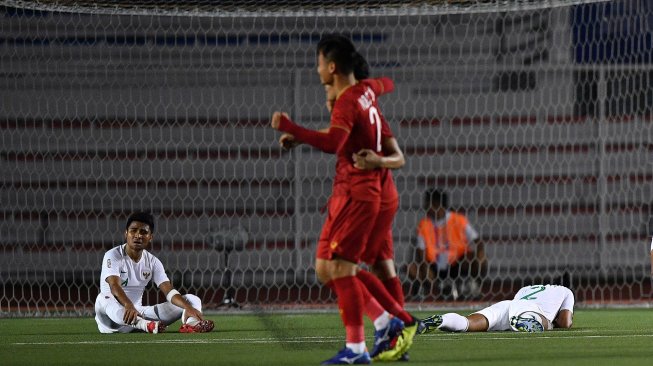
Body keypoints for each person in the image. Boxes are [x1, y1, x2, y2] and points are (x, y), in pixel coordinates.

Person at [271, 35, 416, 364]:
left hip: (361, 191)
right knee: (332, 268)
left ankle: (390, 328)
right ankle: (389, 326)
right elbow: (385, 83)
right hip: (360, 191)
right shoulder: (366, 92)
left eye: (320, 65)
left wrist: (291, 125)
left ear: (332, 68)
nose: (317, 71)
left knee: (344, 268)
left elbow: (334, 141)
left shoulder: (351, 99)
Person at [94, 212, 214, 334]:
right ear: (126, 233)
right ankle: (144, 325)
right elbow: (114, 286)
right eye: (133, 231)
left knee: (192, 299)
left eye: (143, 232)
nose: (138, 235)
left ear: (150, 237)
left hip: (138, 313)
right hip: (112, 321)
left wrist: (188, 307)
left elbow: (169, 291)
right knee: (102, 297)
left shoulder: (153, 262)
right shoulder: (112, 255)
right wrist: (128, 305)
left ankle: (192, 324)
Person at [407, 188, 486, 300]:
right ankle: (430, 288)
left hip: (456, 263)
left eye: (427, 203)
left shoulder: (459, 220)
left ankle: (471, 284)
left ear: (435, 204)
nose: (425, 206)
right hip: (434, 266)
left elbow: (478, 241)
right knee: (412, 268)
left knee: (475, 258)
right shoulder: (424, 224)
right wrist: (426, 270)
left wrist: (480, 256)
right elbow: (421, 251)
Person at [418, 284, 574, 333]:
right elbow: (565, 322)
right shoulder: (565, 291)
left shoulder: (526, 288)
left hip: (506, 305)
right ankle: (527, 321)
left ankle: (442, 320)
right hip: (531, 310)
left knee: (469, 323)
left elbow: (515, 303)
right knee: (547, 323)